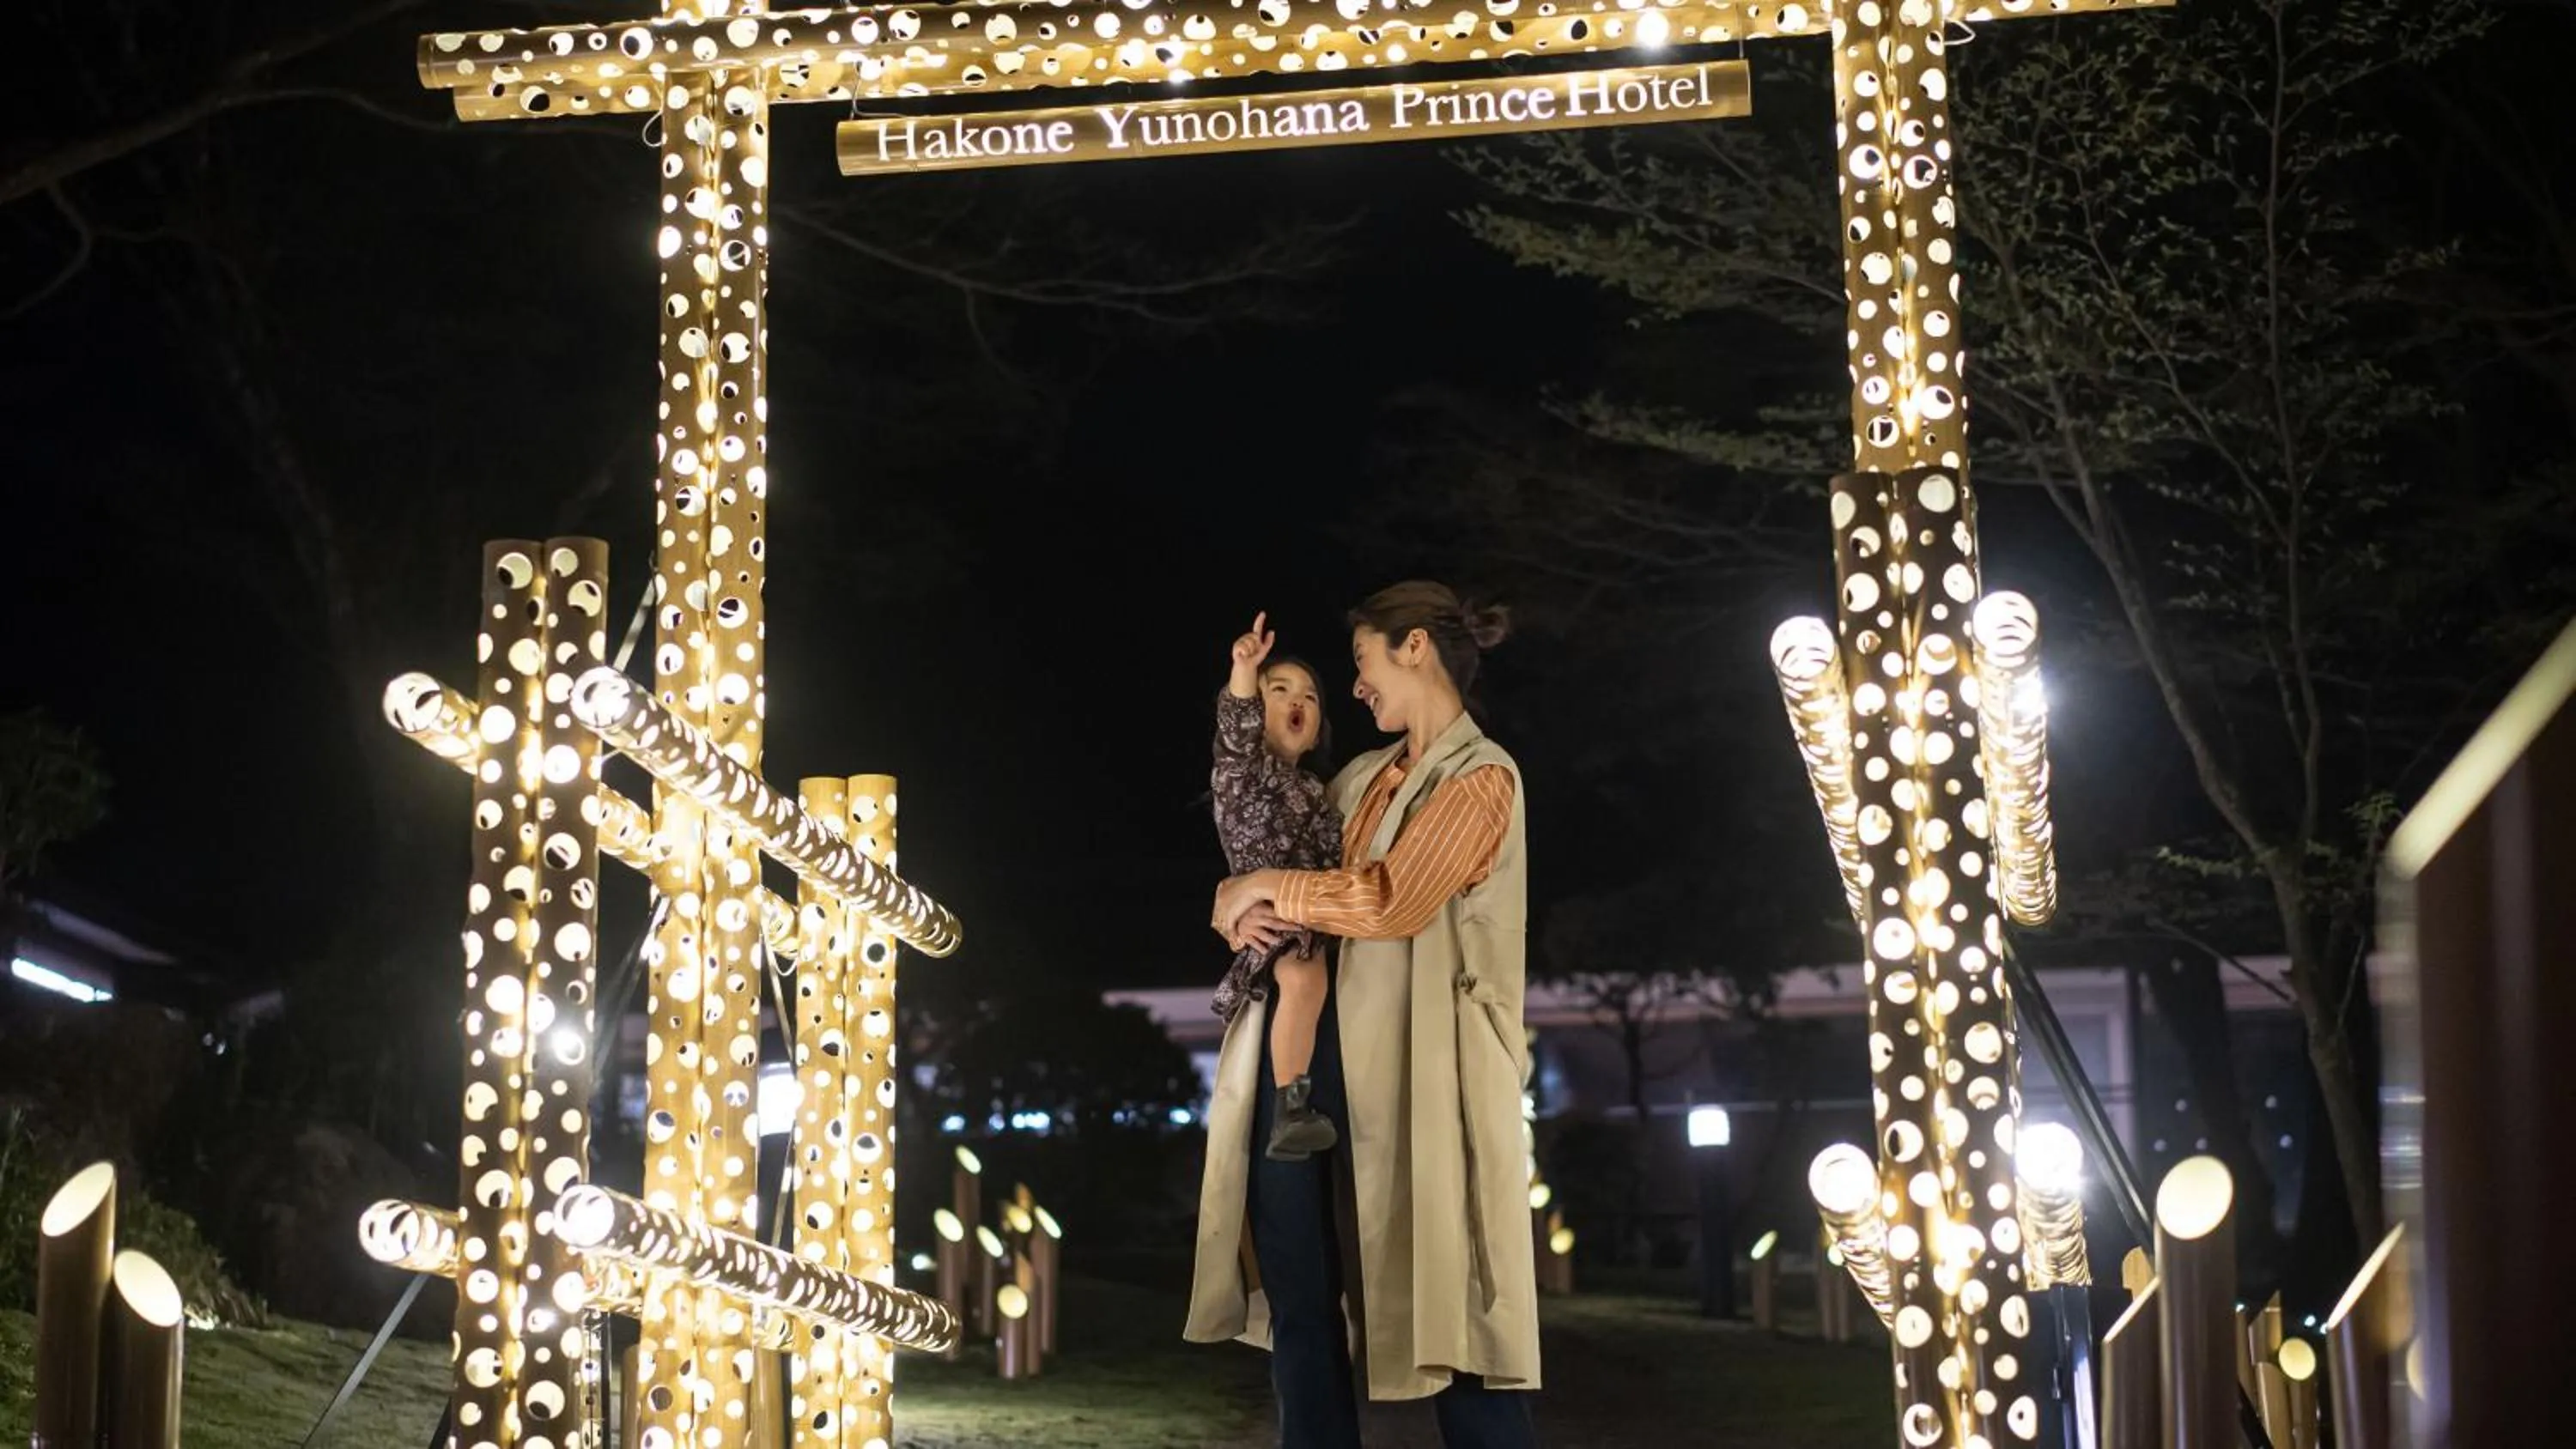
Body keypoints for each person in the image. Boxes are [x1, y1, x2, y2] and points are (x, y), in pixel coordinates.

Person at [1185, 581, 1540, 1449]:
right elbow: (1272, 853)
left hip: (1430, 1071)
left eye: (1363, 661)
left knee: (1454, 1298)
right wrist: (1229, 901)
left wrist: (1257, 887)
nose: (1355, 687)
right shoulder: (1358, 780)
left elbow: (1390, 898)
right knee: (1303, 1294)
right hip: (1306, 1058)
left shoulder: (1482, 776)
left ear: (1414, 646)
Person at [1209, 610, 1344, 1161]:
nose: (1297, 701)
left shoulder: (1317, 789)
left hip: (1314, 913)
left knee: (1311, 979)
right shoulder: (1243, 770)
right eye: (1280, 689)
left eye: (1310, 697)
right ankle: (1293, 1102)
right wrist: (1245, 668)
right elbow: (1237, 727)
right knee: (1303, 978)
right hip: (1278, 918)